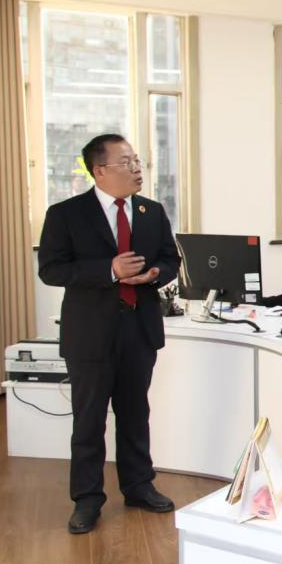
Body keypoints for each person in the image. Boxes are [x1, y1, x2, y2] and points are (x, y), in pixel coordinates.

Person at [38, 133, 182, 534]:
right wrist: (109, 270)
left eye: (137, 160)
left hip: (139, 329)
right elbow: (51, 270)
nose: (137, 168)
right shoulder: (65, 214)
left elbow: (170, 259)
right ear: (99, 170)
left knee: (136, 414)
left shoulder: (151, 211)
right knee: (88, 420)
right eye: (127, 162)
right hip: (90, 334)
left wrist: (155, 274)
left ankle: (139, 486)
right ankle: (87, 498)